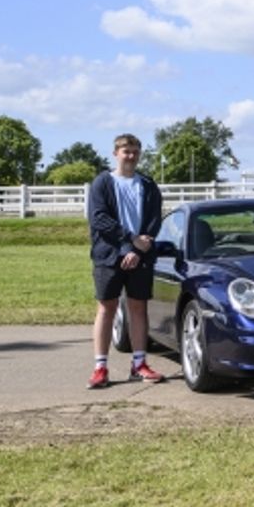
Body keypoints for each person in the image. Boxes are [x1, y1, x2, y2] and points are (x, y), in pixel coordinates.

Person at [86, 133, 165, 389]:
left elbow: (154, 220)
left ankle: (139, 364)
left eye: (134, 151)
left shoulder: (148, 185)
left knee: (138, 308)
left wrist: (139, 250)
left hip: (139, 257)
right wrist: (130, 239)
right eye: (125, 151)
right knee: (106, 308)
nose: (130, 156)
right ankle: (100, 368)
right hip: (108, 256)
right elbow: (99, 219)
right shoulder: (103, 182)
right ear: (115, 153)